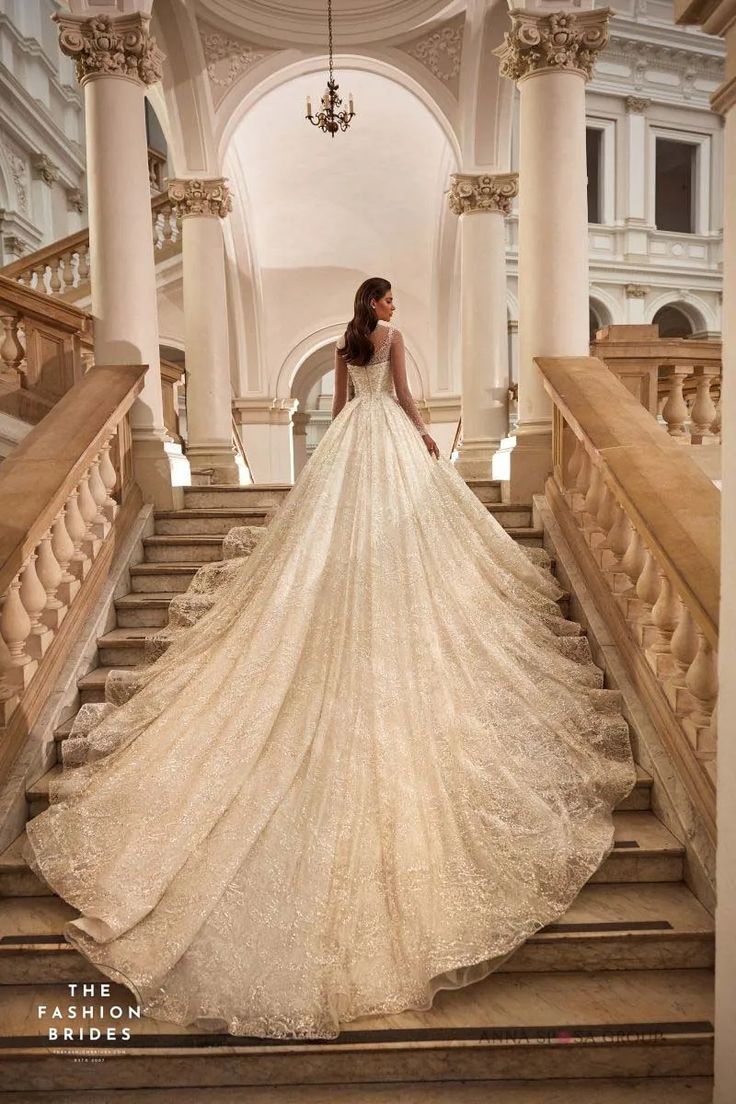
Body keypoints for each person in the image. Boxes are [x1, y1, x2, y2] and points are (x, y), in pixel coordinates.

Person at [23, 276, 637, 1041]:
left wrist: (326, 458)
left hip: (350, 447)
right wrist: (420, 436)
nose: (392, 309)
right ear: (375, 306)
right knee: (399, 528)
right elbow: (403, 399)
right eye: (387, 300)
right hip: (383, 443)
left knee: (336, 526)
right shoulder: (390, 344)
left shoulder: (347, 347)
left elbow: (347, 409)